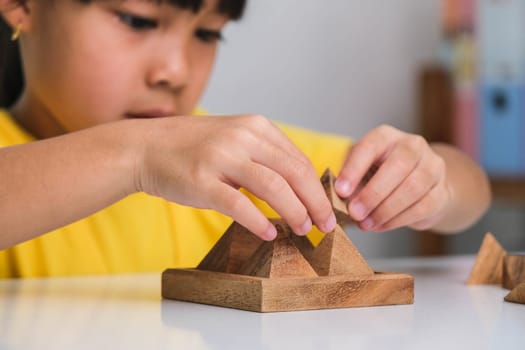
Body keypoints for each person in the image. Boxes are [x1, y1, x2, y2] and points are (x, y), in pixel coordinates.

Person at [0, 0, 491, 278]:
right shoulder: (181, 153)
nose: (174, 70)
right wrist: (138, 155)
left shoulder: (226, 158)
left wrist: (435, 181)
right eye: (137, 21)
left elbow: (472, 191)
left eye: (208, 34)